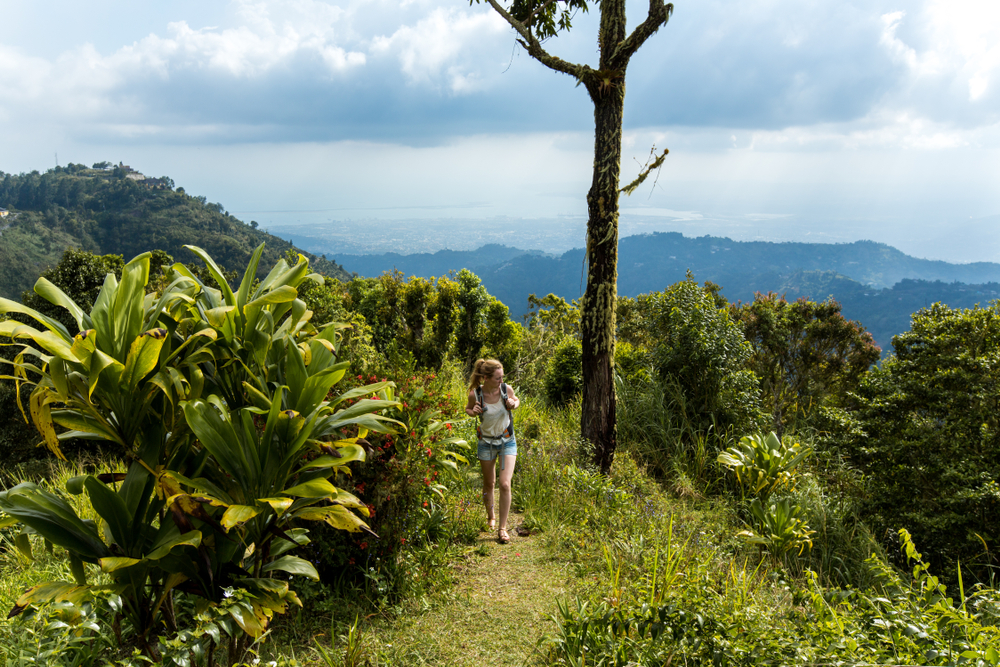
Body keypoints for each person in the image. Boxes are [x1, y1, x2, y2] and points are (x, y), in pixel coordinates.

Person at [465, 358, 520, 544]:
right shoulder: (476, 394)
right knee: (489, 484)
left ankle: (502, 529)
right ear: (486, 378)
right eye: (497, 378)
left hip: (507, 441)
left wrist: (514, 403)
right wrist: (473, 411)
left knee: (505, 484)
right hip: (486, 443)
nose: (501, 380)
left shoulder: (506, 389)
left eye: (502, 377)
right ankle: (491, 517)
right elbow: (468, 409)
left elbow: (516, 399)